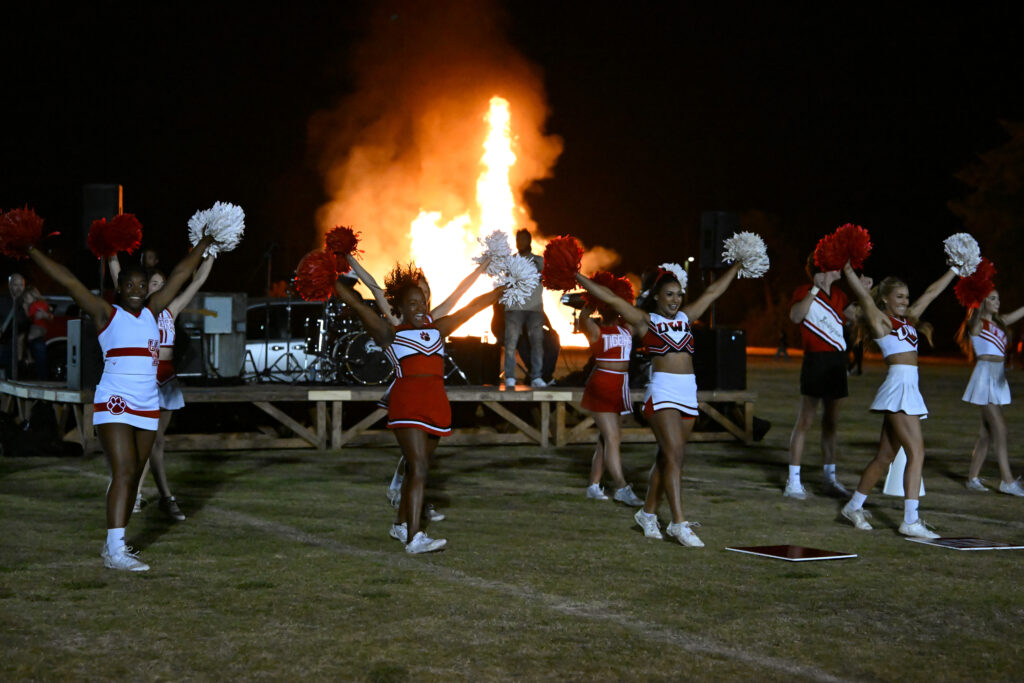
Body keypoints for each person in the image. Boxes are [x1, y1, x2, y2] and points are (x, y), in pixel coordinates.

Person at [26, 234, 214, 570]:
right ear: (119, 287)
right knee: (125, 470)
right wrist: (30, 250)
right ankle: (115, 550)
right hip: (114, 399)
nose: (138, 289)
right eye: (131, 284)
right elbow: (67, 279)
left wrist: (204, 244)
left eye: (143, 284)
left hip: (148, 401)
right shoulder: (105, 313)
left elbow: (182, 275)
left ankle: (114, 544)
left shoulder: (154, 310)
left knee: (134, 472)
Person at [331, 262, 503, 553]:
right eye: (412, 304)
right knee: (420, 466)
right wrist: (329, 279)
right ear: (401, 308)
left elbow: (471, 307)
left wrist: (505, 288)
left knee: (416, 468)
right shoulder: (391, 333)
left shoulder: (438, 329)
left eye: (422, 302)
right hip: (407, 402)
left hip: (436, 404)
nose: (420, 308)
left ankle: (400, 526)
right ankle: (414, 539)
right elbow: (359, 306)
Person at [576, 262, 743, 547]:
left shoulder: (687, 317)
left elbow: (714, 292)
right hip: (662, 391)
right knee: (675, 456)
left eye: (678, 294)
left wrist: (738, 264)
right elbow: (611, 298)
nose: (675, 300)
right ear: (657, 296)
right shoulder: (645, 321)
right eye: (669, 294)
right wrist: (576, 275)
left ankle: (647, 513)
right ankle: (678, 523)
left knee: (667, 458)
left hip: (688, 392)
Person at [347, 255, 489, 514]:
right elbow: (374, 286)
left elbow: (462, 291)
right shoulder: (398, 318)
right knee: (415, 455)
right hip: (408, 389)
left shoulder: (434, 319)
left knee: (421, 458)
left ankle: (413, 503)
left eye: (425, 292)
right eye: (417, 291)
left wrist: (483, 266)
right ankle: (403, 495)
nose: (422, 295)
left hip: (432, 392)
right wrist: (349, 258)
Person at [839, 263, 955, 538]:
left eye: (906, 296)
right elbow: (864, 297)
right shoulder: (881, 321)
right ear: (885, 300)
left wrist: (955, 269)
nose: (905, 301)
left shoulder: (910, 319)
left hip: (908, 387)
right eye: (899, 296)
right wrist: (847, 268)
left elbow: (931, 293)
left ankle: (853, 506)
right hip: (898, 388)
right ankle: (911, 521)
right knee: (917, 452)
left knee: (884, 457)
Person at [109, 253, 215, 518]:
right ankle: (140, 493)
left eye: (159, 284)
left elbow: (198, 279)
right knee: (149, 439)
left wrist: (213, 251)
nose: (155, 288)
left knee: (157, 442)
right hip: (143, 379)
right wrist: (110, 250)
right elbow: (117, 274)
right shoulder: (135, 313)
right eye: (151, 284)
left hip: (166, 380)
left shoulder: (171, 310)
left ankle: (163, 497)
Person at [783, 258, 866, 499]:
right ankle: (793, 482)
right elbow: (796, 317)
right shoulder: (803, 291)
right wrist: (815, 289)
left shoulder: (839, 295)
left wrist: (863, 292)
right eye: (834, 264)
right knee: (805, 420)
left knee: (831, 423)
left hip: (836, 362)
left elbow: (858, 318)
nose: (840, 267)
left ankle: (830, 479)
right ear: (822, 269)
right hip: (815, 361)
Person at [577, 296, 644, 506]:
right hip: (602, 385)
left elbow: (636, 316)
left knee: (607, 439)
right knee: (613, 438)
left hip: (619, 386)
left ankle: (593, 486)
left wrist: (616, 299)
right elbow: (583, 317)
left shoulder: (627, 328)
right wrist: (592, 299)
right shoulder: (596, 330)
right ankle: (621, 487)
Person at [958, 288, 1024, 495]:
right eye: (992, 298)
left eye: (998, 298)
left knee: (986, 433)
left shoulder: (1001, 321)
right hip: (984, 377)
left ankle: (972, 478)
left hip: (998, 377)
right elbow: (975, 316)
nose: (997, 302)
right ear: (982, 302)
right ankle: (1007, 480)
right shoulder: (976, 324)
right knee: (1001, 430)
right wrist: (976, 295)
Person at [504, 229, 546, 388]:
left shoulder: (538, 261)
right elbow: (505, 280)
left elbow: (547, 277)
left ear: (529, 241)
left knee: (537, 342)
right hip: (514, 308)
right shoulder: (511, 261)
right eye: (517, 239)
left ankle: (536, 376)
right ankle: (510, 377)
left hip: (534, 309)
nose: (519, 243)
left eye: (522, 239)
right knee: (510, 343)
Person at [22, 286, 53, 380]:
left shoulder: (36, 305)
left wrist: (25, 308)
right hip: (39, 331)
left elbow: (30, 316)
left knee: (26, 341)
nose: (26, 299)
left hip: (37, 331)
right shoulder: (41, 304)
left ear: (33, 296)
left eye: (27, 297)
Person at [1, 273, 28, 379]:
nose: (18, 288)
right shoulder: (2, 300)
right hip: (5, 341)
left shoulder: (27, 300)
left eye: (21, 285)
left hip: (21, 342)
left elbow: (28, 323)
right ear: (10, 286)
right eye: (15, 285)